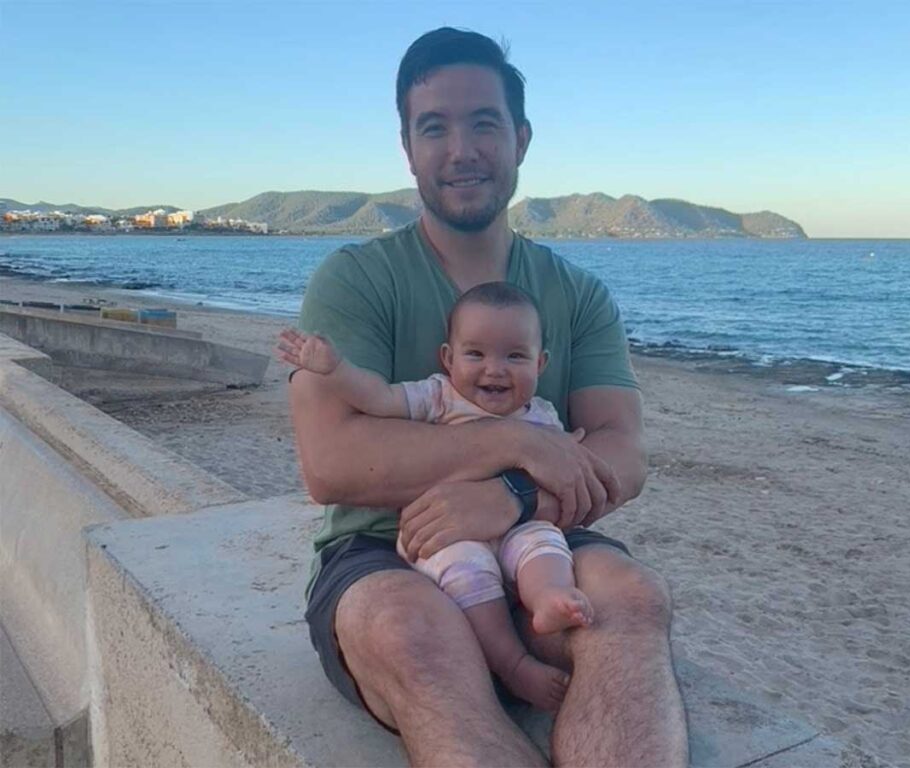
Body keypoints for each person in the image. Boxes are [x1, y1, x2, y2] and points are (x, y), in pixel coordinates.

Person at [290, 26, 688, 766]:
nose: (460, 149)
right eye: (433, 127)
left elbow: (622, 453)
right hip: (381, 548)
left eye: (484, 123)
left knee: (631, 601)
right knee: (416, 637)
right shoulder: (354, 280)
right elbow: (333, 461)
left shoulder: (577, 292)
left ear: (521, 138)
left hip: (541, 538)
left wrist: (512, 497)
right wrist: (518, 443)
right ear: (407, 148)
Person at [279, 282, 594, 711]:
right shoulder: (439, 396)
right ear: (448, 359)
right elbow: (378, 399)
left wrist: (572, 450)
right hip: (445, 533)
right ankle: (513, 664)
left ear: (541, 364)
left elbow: (565, 462)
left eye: (515, 356)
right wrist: (334, 370)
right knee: (469, 573)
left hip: (515, 524)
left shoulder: (542, 414)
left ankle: (550, 600)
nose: (495, 369)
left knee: (545, 542)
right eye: (476, 354)